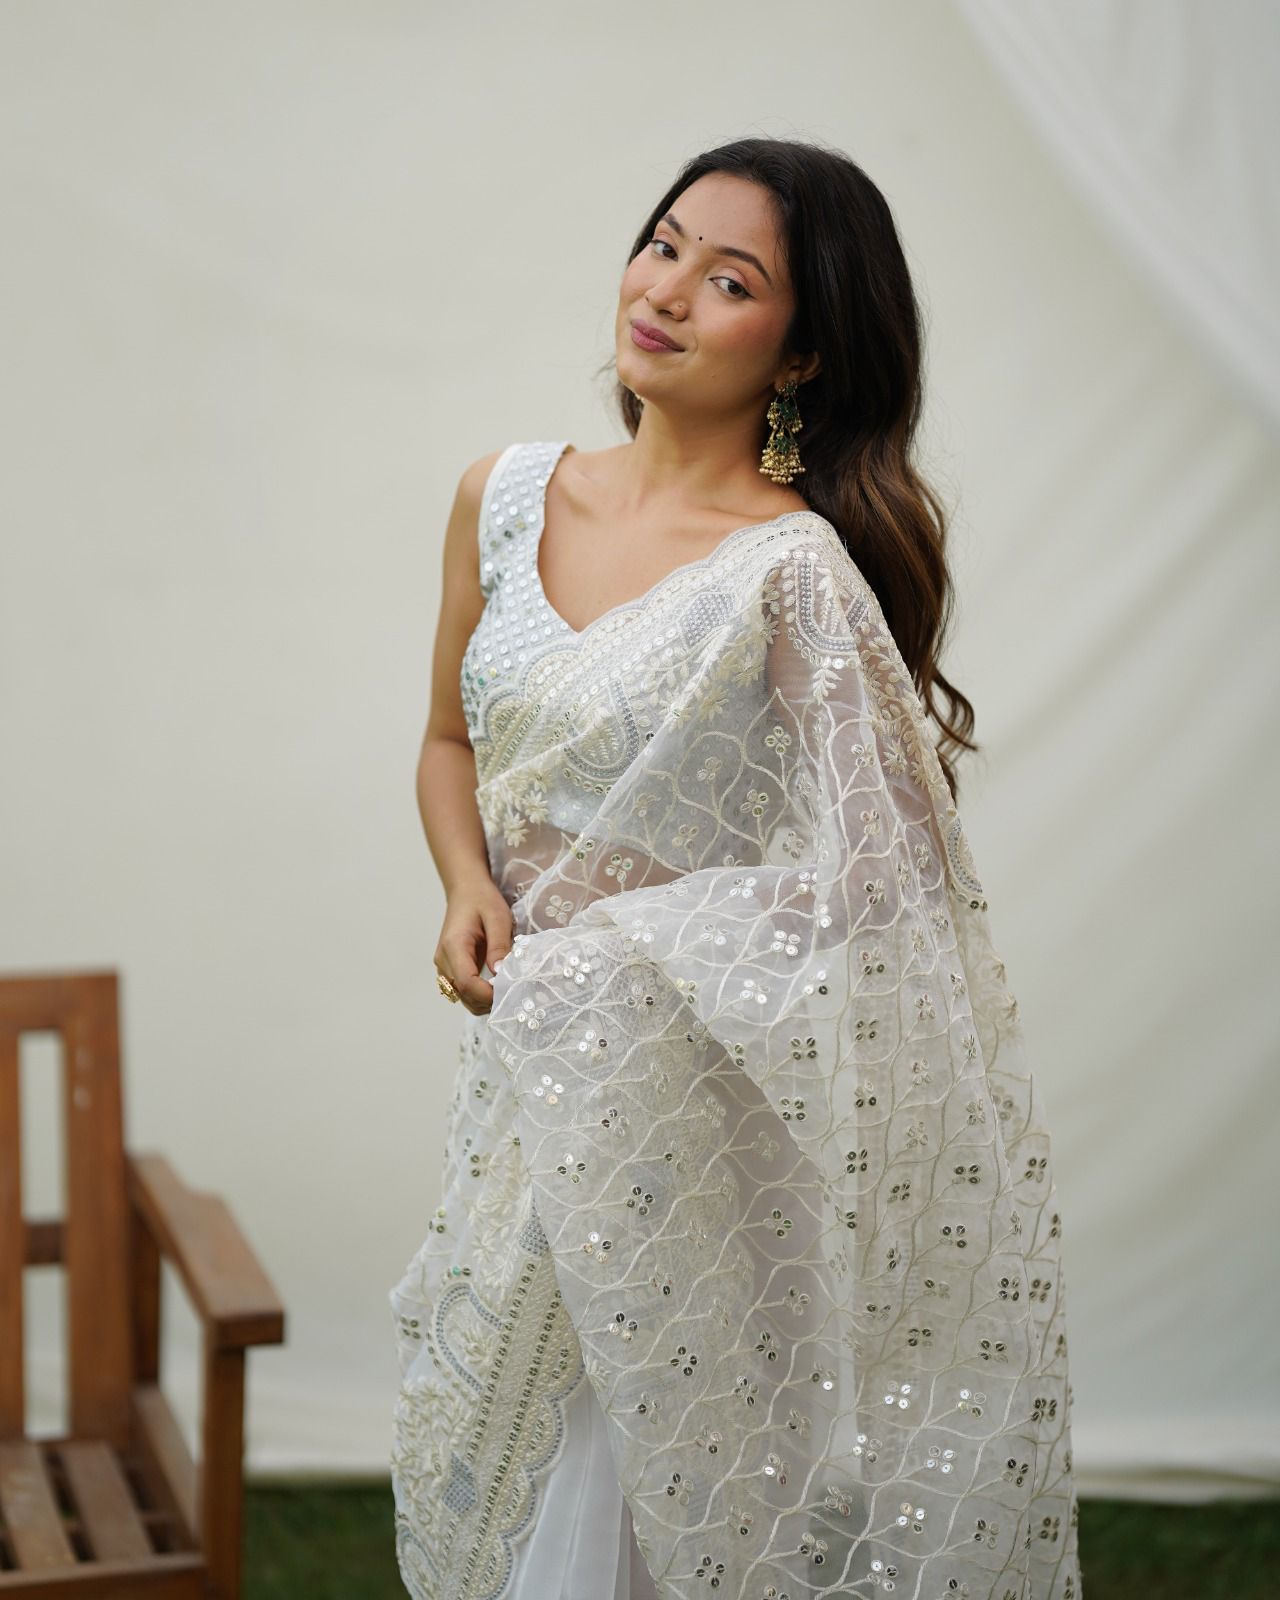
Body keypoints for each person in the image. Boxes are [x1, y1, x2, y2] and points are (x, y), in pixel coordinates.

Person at [389, 136, 1082, 1600]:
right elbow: (447, 739)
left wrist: (634, 951)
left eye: (730, 280)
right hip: (527, 1065)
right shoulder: (503, 495)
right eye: (663, 245)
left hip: (680, 1096)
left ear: (803, 352)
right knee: (521, 1446)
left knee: (646, 1477)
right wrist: (467, 886)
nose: (666, 292)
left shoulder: (790, 569)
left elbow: (891, 877)